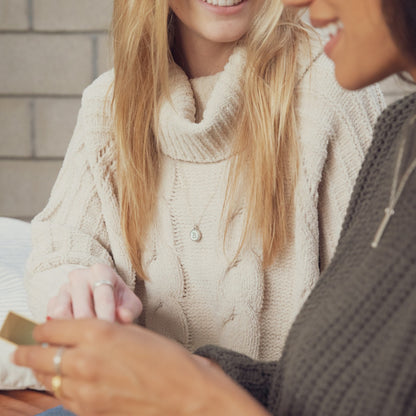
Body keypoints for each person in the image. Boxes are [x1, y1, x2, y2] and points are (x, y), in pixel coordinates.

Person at [13, 0, 416, 415]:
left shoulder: (336, 86)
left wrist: (194, 389)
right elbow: (61, 245)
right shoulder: (110, 102)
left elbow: (365, 348)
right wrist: (82, 283)